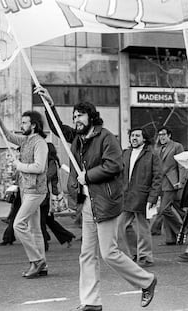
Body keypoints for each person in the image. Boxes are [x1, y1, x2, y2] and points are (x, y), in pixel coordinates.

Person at [35, 86, 157, 309]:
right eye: (74, 116)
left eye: (79, 115)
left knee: (109, 253)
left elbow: (114, 165)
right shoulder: (78, 138)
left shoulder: (106, 137)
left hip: (105, 202)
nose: (76, 120)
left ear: (91, 117)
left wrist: (87, 176)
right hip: (88, 204)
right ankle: (91, 303)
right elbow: (57, 128)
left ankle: (147, 281)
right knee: (87, 255)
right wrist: (48, 104)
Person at [0, 110, 49, 278]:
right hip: (26, 190)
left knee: (18, 225)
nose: (21, 125)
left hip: (36, 191)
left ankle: (37, 260)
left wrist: (19, 165)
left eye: (24, 122)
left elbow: (39, 167)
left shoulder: (40, 143)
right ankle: (43, 265)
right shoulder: (25, 140)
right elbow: (9, 137)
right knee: (35, 229)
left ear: (33, 125)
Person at [118, 128, 161, 268]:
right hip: (126, 195)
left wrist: (153, 197)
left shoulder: (152, 154)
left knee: (143, 228)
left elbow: (157, 177)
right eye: (132, 135)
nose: (134, 138)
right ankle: (134, 253)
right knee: (122, 226)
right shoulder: (125, 153)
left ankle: (145, 257)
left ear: (144, 138)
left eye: (137, 135)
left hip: (143, 196)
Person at [150, 127, 188, 244]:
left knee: (164, 209)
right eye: (160, 135)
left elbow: (182, 164)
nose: (161, 137)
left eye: (164, 134)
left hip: (171, 181)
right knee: (166, 209)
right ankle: (170, 238)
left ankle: (181, 230)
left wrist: (181, 181)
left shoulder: (177, 146)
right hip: (160, 182)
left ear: (169, 135)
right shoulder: (157, 148)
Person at [40, 142, 76, 251]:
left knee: (41, 220)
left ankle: (43, 244)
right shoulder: (51, 161)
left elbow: (48, 176)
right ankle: (67, 236)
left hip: (47, 195)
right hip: (46, 194)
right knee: (48, 220)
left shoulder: (51, 162)